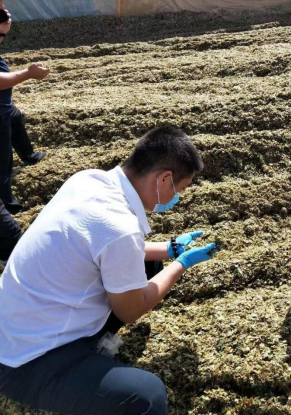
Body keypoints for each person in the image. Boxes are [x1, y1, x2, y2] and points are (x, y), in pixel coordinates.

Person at [0, 126, 219, 415]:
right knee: (148, 396)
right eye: (180, 189)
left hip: (18, 321)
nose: (178, 196)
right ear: (164, 179)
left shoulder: (87, 180)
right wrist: (182, 264)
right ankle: (80, 362)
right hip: (24, 359)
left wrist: (169, 248)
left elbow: (104, 247)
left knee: (148, 264)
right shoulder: (120, 227)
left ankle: (92, 348)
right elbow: (131, 309)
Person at [0, 6, 49, 267]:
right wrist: (28, 74)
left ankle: (29, 155)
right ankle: (7, 206)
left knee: (16, 118)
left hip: (5, 107)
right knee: (2, 165)